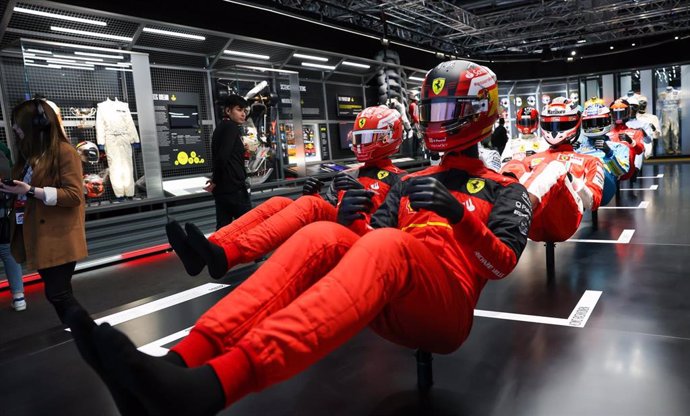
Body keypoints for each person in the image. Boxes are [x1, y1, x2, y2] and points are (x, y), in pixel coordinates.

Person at [66, 60, 532, 416]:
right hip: (395, 301)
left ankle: (215, 387)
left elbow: (502, 264)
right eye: (431, 110)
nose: (437, 119)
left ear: (477, 113)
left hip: (447, 312)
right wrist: (350, 222)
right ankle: (182, 362)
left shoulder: (506, 188)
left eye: (446, 110)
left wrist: (461, 219)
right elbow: (372, 242)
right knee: (323, 232)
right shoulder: (412, 181)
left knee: (385, 243)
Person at [167, 105, 407, 279]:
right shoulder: (349, 173)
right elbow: (331, 209)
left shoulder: (399, 179)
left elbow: (393, 229)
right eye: (360, 138)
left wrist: (367, 204)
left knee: (310, 205)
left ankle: (228, 255)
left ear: (389, 138)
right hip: (338, 233)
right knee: (279, 202)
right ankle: (204, 252)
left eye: (370, 138)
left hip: (365, 241)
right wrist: (315, 195)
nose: (363, 144)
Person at [0, 99, 87, 322]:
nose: (15, 128)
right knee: (57, 292)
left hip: (58, 235)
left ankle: (88, 333)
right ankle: (79, 331)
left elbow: (74, 195)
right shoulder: (31, 156)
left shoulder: (64, 152)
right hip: (37, 234)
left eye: (18, 123)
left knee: (58, 293)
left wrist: (30, 190)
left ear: (35, 123)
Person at [502, 97, 604, 242]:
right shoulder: (531, 159)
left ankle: (511, 219)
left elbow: (593, 202)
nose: (555, 131)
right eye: (551, 125)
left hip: (566, 219)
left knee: (555, 167)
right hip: (532, 223)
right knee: (513, 164)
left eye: (561, 125)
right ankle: (501, 216)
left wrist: (571, 180)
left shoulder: (591, 161)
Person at [206, 94, 251, 230]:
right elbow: (222, 157)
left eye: (245, 111)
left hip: (223, 189)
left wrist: (216, 180)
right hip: (234, 189)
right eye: (239, 110)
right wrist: (215, 181)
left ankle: (217, 251)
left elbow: (225, 156)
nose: (243, 114)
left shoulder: (221, 128)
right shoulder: (231, 127)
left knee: (223, 228)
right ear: (227, 111)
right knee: (249, 226)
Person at [576, 97, 631, 206]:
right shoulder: (578, 146)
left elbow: (620, 172)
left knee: (597, 169)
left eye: (598, 122)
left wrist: (609, 153)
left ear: (606, 121)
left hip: (604, 185)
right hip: (576, 183)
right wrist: (570, 151)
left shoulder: (618, 147)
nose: (594, 126)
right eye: (590, 123)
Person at [0, 141, 25, 311]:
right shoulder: (2, 148)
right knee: (7, 250)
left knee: (7, 251)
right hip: (3, 205)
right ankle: (18, 297)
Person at [609, 99, 645, 181]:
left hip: (627, 169)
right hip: (609, 169)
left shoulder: (635, 132)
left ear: (627, 113)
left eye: (621, 113)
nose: (618, 116)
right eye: (615, 114)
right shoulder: (607, 134)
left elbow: (640, 151)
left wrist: (631, 141)